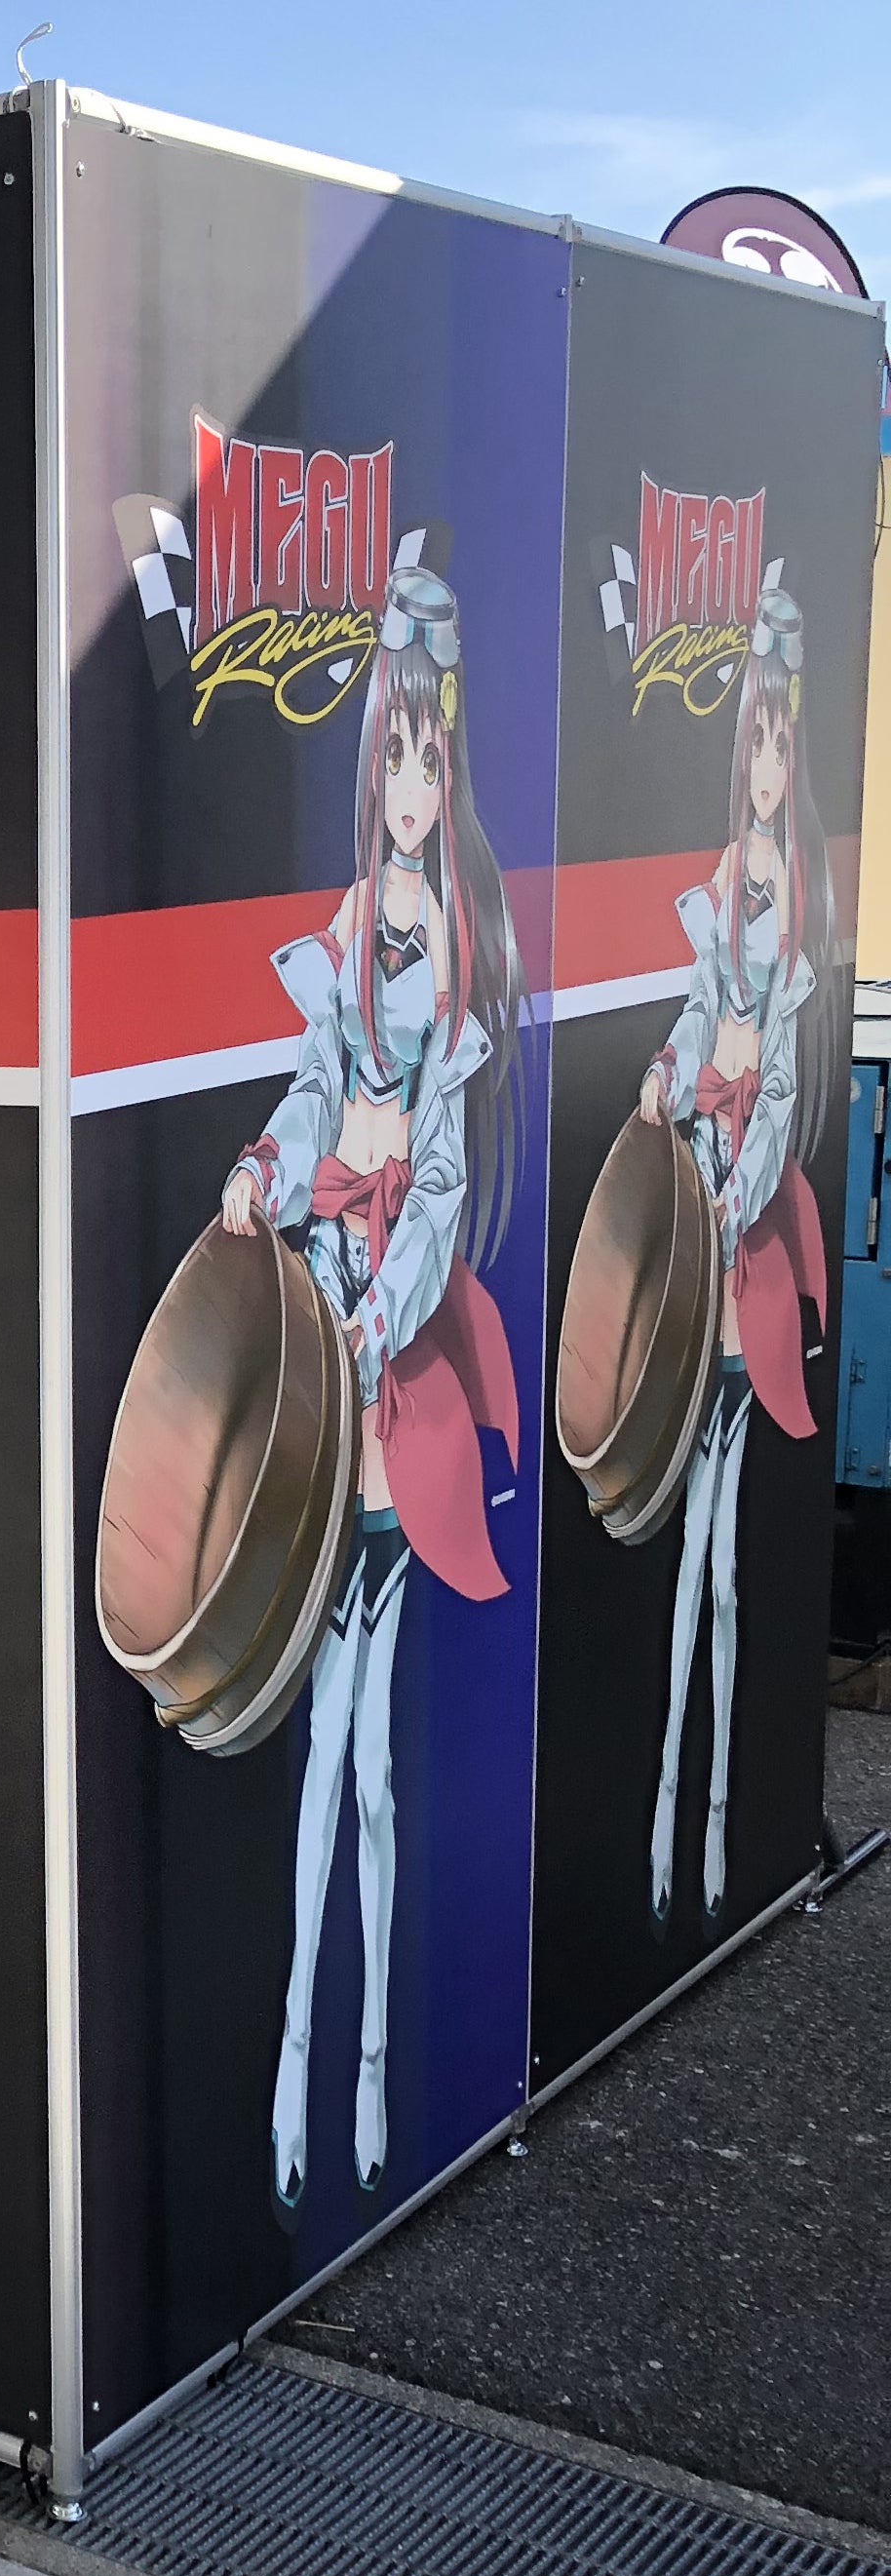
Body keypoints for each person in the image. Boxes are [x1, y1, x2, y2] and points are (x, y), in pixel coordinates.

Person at [215, 566, 523, 2208]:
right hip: (324, 1340)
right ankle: (292, 2065)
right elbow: (305, 1094)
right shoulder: (344, 945)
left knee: (377, 1768)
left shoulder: (457, 968)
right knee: (321, 1759)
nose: (410, 785)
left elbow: (445, 1189)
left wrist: (379, 1310)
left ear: (447, 763)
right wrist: (265, 1172)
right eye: (391, 755)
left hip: (389, 1379)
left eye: (429, 756)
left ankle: (372, 2070)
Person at [635, 586, 835, 1927]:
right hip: (702, 1188)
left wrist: (732, 1189)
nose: (762, 766)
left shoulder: (798, 906)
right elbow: (697, 1017)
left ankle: (714, 1828)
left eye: (776, 742)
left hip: (745, 1230)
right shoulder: (721, 891)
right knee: (685, 1559)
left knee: (721, 1565)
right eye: (749, 741)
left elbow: (785, 1092)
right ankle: (668, 1814)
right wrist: (666, 1073)